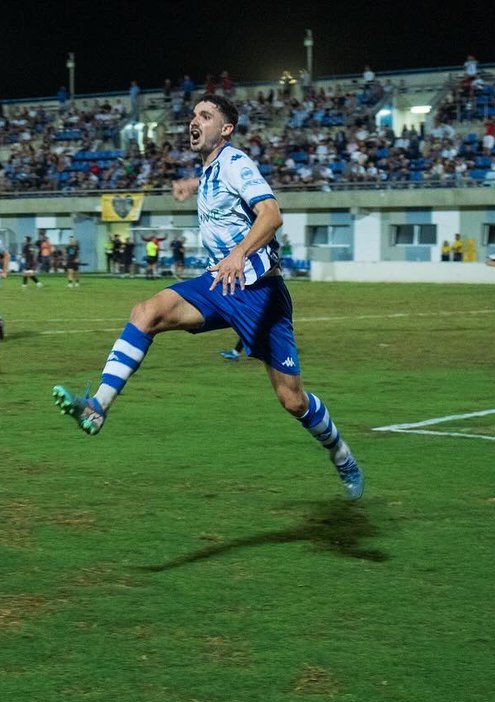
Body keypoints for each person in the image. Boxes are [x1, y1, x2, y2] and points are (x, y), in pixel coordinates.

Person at [51, 94, 364, 501]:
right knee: (147, 312)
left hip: (259, 293)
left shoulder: (237, 163)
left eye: (205, 115)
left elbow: (271, 214)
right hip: (218, 284)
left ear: (226, 128)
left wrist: (238, 253)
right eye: (192, 114)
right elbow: (216, 183)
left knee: (292, 400)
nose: (193, 121)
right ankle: (98, 406)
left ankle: (342, 455)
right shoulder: (213, 168)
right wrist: (190, 183)